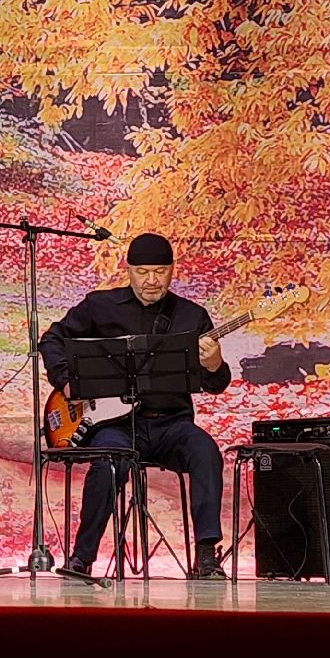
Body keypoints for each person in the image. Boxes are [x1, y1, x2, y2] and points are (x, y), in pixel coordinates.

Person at [37, 232, 232, 578]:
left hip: (171, 424)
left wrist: (215, 364)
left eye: (160, 271)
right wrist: (66, 379)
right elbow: (52, 338)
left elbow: (215, 384)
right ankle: (82, 559)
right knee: (110, 462)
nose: (151, 280)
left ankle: (206, 556)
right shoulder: (100, 306)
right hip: (113, 427)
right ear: (128, 270)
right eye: (143, 271)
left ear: (172, 271)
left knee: (205, 450)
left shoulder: (192, 316)